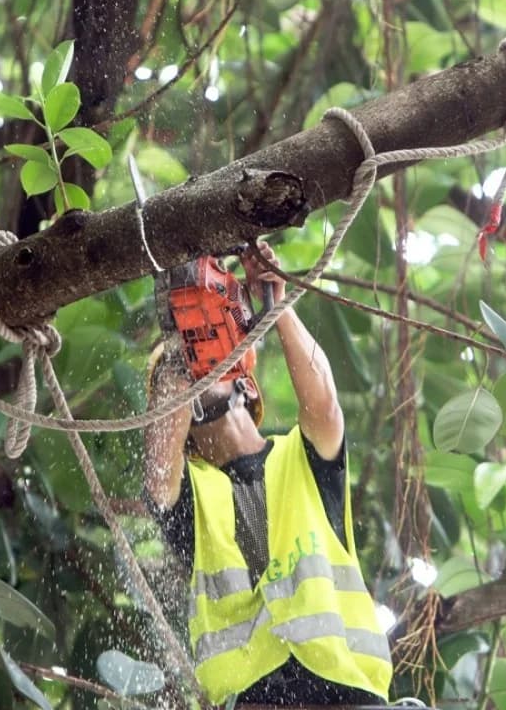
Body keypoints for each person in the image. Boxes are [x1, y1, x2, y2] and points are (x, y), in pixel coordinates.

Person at [142, 240, 392, 707]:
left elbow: (324, 405)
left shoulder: (300, 460)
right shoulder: (192, 495)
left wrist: (277, 304)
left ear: (244, 380)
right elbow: (158, 478)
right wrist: (181, 355)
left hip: (349, 689)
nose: (196, 371)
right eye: (178, 380)